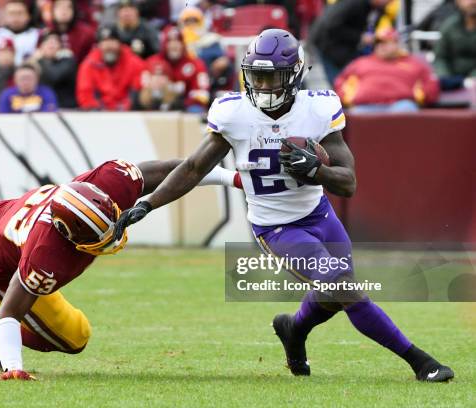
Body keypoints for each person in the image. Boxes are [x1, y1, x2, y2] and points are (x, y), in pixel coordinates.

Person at [112, 29, 455, 383]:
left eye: (271, 77)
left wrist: (317, 170)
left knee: (335, 293)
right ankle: (420, 362)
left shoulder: (318, 109)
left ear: (294, 75)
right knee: (343, 286)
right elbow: (194, 167)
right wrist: (149, 203)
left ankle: (294, 329)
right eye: (256, 77)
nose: (262, 86)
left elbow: (348, 182)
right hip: (276, 227)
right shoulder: (234, 114)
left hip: (321, 217)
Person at [0, 159, 242, 379]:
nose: (110, 239)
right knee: (73, 339)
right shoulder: (46, 254)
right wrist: (14, 370)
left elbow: (184, 169)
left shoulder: (109, 183)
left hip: (6, 219)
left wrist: (232, 178)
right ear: (69, 237)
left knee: (75, 328)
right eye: (98, 238)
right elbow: (12, 313)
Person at [334, 28, 440, 112]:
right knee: (356, 114)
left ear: (396, 43)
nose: (381, 46)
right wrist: (349, 97)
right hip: (365, 106)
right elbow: (340, 81)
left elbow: (431, 83)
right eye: (378, 43)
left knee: (406, 110)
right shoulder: (361, 62)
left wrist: (420, 96)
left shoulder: (414, 63)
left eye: (385, 42)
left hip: (400, 106)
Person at [309, 0, 393, 85]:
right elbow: (331, 25)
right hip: (327, 47)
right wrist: (360, 37)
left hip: (348, 49)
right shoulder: (354, 3)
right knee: (338, 84)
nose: (390, 2)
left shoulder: (378, 9)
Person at [76, 25, 145, 111]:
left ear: (120, 43)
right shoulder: (88, 65)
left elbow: (138, 90)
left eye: (112, 41)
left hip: (129, 114)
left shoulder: (135, 63)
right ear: (99, 45)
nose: (109, 46)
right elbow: (85, 94)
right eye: (104, 42)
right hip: (99, 116)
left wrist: (125, 107)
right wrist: (101, 110)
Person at [145, 26, 210, 113]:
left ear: (183, 44)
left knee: (196, 110)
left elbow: (203, 94)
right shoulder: (152, 62)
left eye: (178, 40)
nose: (174, 45)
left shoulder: (196, 65)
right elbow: (143, 92)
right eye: (170, 41)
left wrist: (182, 102)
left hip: (187, 107)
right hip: (157, 105)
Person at [178, 7, 233, 98]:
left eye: (194, 21)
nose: (191, 24)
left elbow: (222, 61)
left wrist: (218, 65)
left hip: (206, 80)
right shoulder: (176, 41)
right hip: (181, 80)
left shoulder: (211, 39)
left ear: (201, 22)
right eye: (188, 21)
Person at [433, 0, 476, 90]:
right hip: (453, 83)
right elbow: (440, 57)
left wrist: (471, 79)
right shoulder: (449, 26)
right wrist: (446, 78)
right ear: (458, 2)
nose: (472, 2)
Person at [0, 0, 39, 66]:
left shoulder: (37, 35)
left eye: (20, 13)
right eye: (12, 13)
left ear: (28, 16)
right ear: (5, 16)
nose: (16, 17)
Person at [33, 31, 78, 108]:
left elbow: (54, 76)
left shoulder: (67, 60)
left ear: (60, 47)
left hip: (65, 107)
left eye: (55, 43)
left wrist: (41, 60)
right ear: (41, 47)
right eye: (48, 42)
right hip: (41, 105)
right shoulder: (34, 62)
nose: (51, 45)